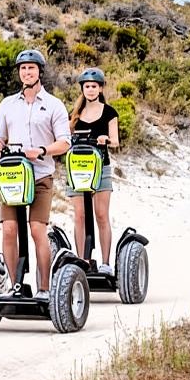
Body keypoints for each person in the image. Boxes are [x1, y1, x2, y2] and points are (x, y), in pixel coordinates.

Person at [0, 49, 71, 300]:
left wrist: (42, 150)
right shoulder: (8, 104)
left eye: (31, 68)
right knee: (9, 229)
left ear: (40, 71)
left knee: (36, 229)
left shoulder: (53, 105)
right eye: (23, 68)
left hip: (41, 176)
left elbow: (65, 142)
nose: (27, 72)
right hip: (13, 176)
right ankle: (15, 286)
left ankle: (44, 288)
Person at [65, 67, 119, 273]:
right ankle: (83, 261)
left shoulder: (109, 112)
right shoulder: (75, 115)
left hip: (101, 167)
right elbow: (65, 137)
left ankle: (105, 263)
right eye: (87, 86)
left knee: (101, 215)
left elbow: (115, 141)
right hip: (77, 169)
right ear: (82, 89)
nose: (90, 90)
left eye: (94, 86)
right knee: (79, 215)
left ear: (101, 88)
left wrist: (106, 139)